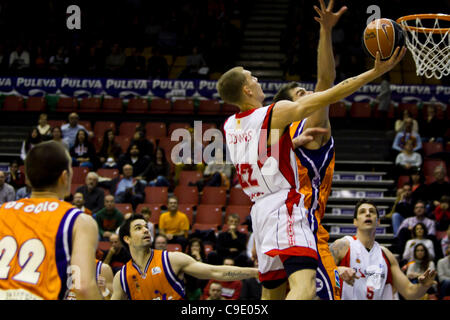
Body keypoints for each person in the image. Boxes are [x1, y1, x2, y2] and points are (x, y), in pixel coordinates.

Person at [220, 41, 405, 299]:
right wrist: (374, 73)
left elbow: (255, 156)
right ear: (246, 89)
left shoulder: (230, 126)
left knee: (271, 294)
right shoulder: (274, 113)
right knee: (304, 290)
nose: (258, 79)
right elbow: (330, 91)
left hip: (259, 212)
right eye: (253, 77)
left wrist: (290, 144)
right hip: (286, 206)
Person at [271, 0, 347, 300]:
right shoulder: (303, 125)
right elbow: (326, 82)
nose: (310, 95)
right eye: (302, 94)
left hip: (275, 230)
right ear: (290, 107)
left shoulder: (274, 138)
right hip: (304, 229)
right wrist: (326, 32)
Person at [0, 141, 102, 300]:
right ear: (64, 177)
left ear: (27, 179)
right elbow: (83, 287)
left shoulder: (2, 211)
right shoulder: (78, 220)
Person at [111, 214, 258, 300]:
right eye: (138, 228)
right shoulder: (122, 277)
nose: (145, 230)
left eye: (145, 227)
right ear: (127, 239)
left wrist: (254, 272)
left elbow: (215, 272)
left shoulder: (171, 260)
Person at [329, 199, 437, 300]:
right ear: (355, 222)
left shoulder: (386, 255)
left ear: (378, 221)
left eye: (372, 211)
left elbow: (409, 292)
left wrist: (424, 286)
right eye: (362, 212)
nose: (368, 214)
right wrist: (337, 270)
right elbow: (317, 273)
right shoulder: (342, 245)